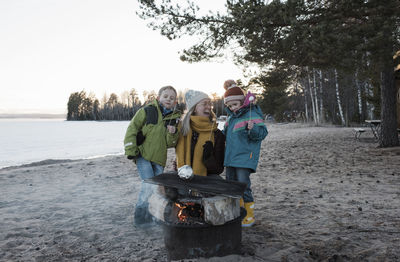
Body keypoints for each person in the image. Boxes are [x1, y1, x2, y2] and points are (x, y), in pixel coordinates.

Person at [124, 85, 181, 226]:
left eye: (172, 98)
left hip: (160, 159)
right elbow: (132, 128)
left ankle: (152, 215)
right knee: (148, 184)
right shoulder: (147, 111)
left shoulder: (174, 118)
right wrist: (130, 149)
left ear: (175, 102)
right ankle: (140, 217)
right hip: (143, 155)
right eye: (166, 96)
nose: (168, 99)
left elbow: (170, 143)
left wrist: (172, 133)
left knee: (156, 188)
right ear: (158, 98)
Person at [222, 80, 268, 227]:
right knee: (231, 185)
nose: (232, 108)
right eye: (229, 106)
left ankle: (249, 215)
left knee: (243, 185)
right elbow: (225, 135)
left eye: (234, 104)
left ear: (242, 101)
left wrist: (252, 128)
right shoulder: (230, 119)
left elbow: (262, 133)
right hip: (230, 158)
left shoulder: (251, 114)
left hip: (244, 157)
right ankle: (238, 211)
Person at [175, 89, 225, 177]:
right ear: (194, 108)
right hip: (184, 175)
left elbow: (219, 169)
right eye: (204, 104)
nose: (209, 107)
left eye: (210, 104)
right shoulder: (183, 130)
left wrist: (208, 158)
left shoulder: (216, 134)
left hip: (205, 179)